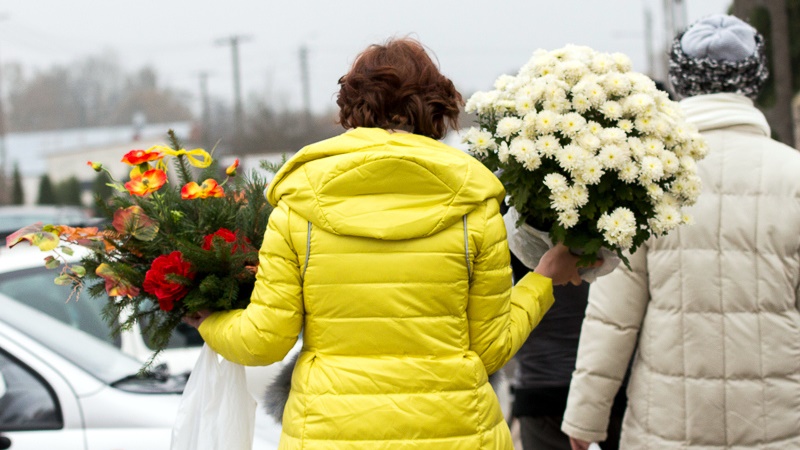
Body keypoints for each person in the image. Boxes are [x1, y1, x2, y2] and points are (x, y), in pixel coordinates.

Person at [183, 37, 585, 449]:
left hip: (331, 434)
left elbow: (264, 340)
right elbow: (491, 348)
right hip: (454, 433)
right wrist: (542, 280)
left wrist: (209, 320)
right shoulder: (473, 205)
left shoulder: (300, 205)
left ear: (353, 108)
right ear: (435, 109)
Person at [561, 14, 800, 450]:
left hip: (667, 430)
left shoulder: (649, 177)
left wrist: (585, 418)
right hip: (781, 428)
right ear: (755, 82)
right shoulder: (794, 175)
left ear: (682, 81)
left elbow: (614, 318)